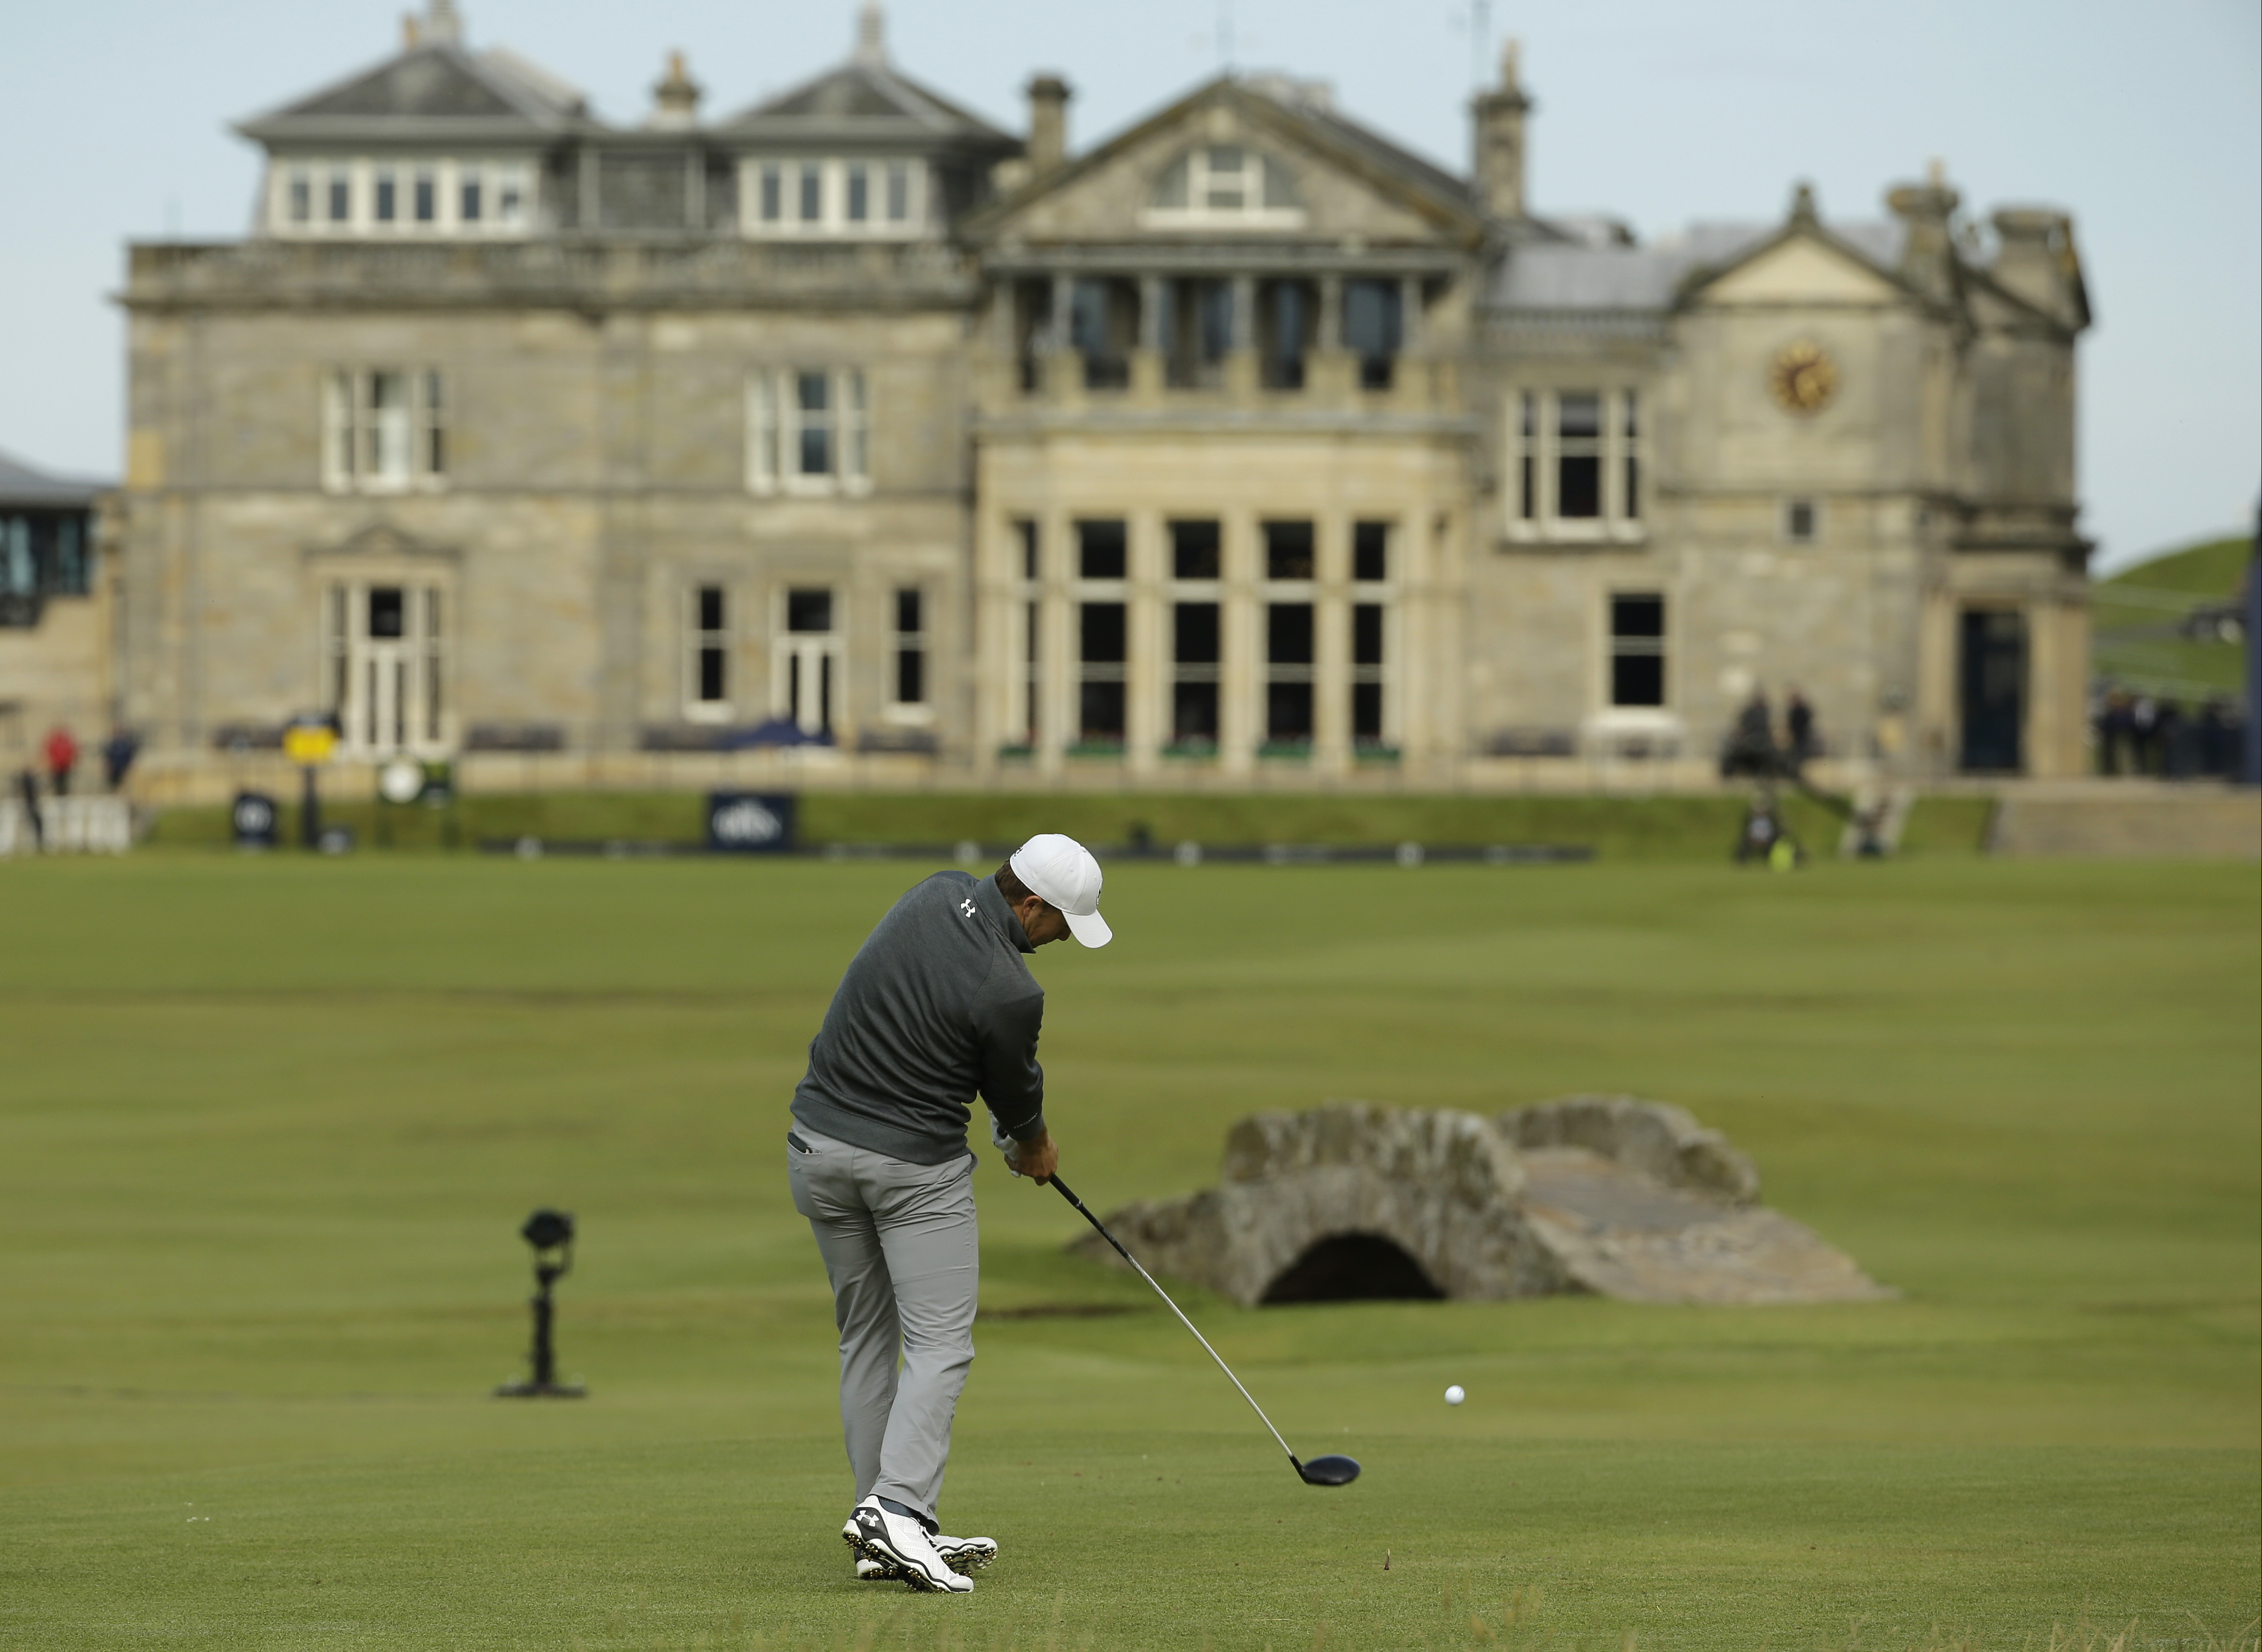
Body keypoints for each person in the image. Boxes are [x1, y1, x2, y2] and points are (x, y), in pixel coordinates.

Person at [787, 832, 1113, 1594]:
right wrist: (1031, 1144)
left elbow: (944, 1034)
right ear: (1031, 904)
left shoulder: (933, 892)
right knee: (940, 1345)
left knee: (866, 1338)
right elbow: (1015, 1088)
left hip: (816, 1152)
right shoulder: (1014, 990)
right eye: (1061, 923)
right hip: (909, 1172)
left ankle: (885, 1530)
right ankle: (898, 1509)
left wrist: (1006, 1121)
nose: (1061, 938)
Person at [43, 726, 77, 796]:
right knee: (58, 783)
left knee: (64, 782)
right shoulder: (55, 742)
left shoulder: (65, 742)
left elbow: (71, 751)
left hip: (64, 765)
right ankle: (59, 794)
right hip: (57, 766)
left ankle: (63, 794)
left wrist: (69, 762)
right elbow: (51, 752)